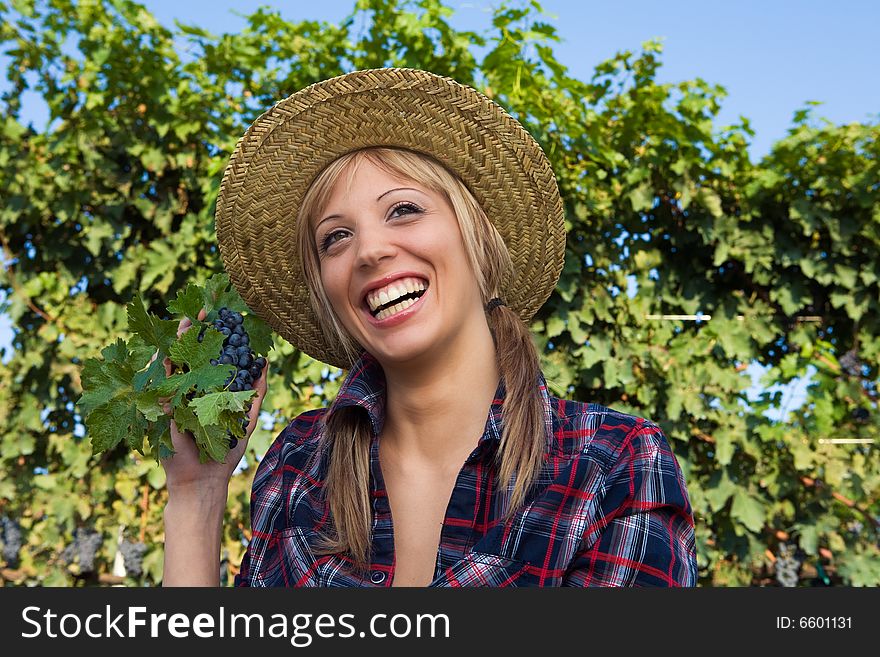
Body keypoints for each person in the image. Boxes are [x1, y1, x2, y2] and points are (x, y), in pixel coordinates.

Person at [161, 68, 697, 587]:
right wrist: (197, 490)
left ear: (479, 242)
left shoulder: (613, 463)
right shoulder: (297, 466)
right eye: (336, 238)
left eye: (403, 210)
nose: (369, 250)